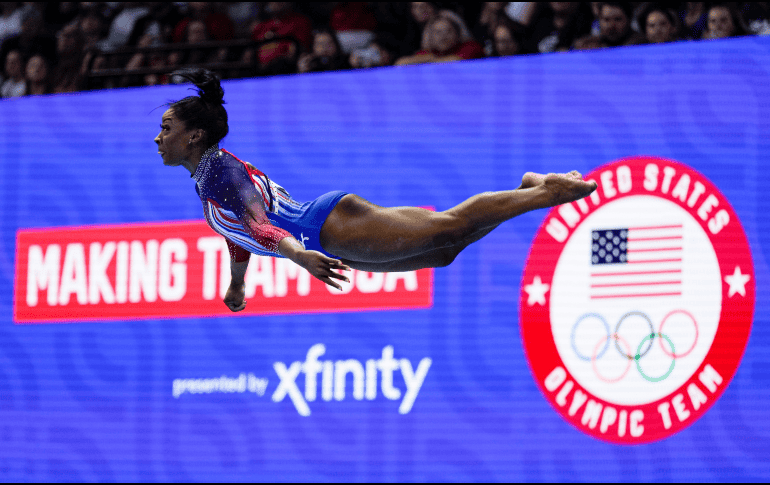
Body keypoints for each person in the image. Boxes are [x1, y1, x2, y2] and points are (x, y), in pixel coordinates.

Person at [154, 68, 598, 311]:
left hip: (327, 226)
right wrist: (237, 284)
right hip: (328, 243)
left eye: (166, 128)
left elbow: (259, 224)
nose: (158, 137)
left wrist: (300, 255)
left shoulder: (220, 173)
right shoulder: (205, 178)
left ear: (194, 136)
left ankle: (546, 193)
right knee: (445, 252)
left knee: (449, 227)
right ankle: (524, 189)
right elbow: (240, 235)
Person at [572, 2, 646, 50]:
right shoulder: (588, 45)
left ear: (629, 20)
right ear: (599, 20)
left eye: (617, 19)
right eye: (606, 20)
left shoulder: (642, 45)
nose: (611, 26)